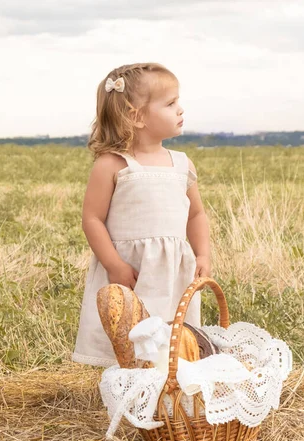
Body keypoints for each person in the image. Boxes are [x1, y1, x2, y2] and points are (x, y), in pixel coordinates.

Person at [71, 62, 211, 367]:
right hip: (131, 271)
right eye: (171, 103)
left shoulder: (182, 164)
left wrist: (203, 254)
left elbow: (196, 215)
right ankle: (126, 386)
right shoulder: (113, 164)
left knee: (173, 338)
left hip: (174, 271)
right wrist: (114, 264)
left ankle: (170, 387)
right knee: (127, 333)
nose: (180, 109)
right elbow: (92, 219)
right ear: (136, 116)